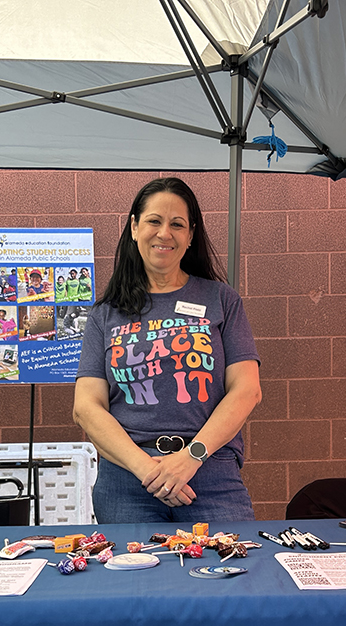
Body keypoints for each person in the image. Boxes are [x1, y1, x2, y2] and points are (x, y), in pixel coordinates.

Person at [74, 176, 261, 524]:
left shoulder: (222, 300)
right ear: (133, 227)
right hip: (128, 480)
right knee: (133, 577)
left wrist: (191, 457)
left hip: (210, 473)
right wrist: (150, 470)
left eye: (177, 224)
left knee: (232, 574)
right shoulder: (105, 314)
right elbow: (86, 407)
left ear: (191, 236)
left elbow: (247, 390)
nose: (165, 233)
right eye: (154, 221)